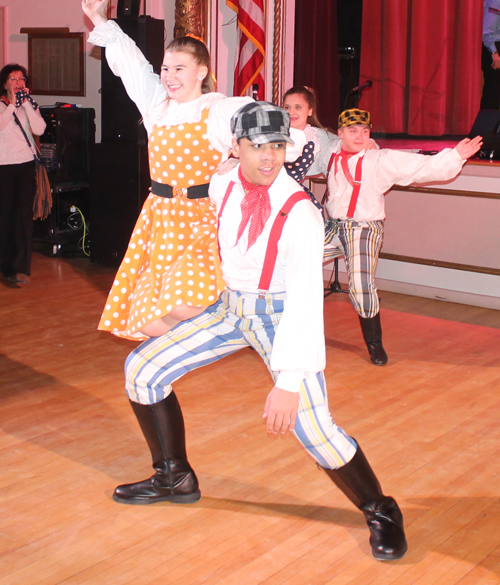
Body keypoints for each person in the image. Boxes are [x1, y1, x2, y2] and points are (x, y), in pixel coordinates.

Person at [112, 101, 408, 562]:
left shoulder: (301, 215)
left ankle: (381, 509)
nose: (269, 157)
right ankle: (174, 476)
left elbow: (307, 304)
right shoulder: (223, 181)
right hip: (229, 308)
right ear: (235, 147)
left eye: (277, 146)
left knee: (315, 429)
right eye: (257, 146)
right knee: (142, 370)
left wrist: (288, 384)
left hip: (281, 315)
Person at [81, 0, 253, 339]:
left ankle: (226, 323)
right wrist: (99, 20)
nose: (169, 76)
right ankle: (172, 363)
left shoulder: (216, 109)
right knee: (145, 322)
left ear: (201, 71)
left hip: (201, 219)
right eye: (165, 68)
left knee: (183, 303)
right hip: (159, 218)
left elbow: (265, 129)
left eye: (179, 68)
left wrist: (236, 162)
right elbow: (131, 64)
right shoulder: (157, 105)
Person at [309, 108, 483, 366]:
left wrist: (455, 156)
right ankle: (287, 328)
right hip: (334, 228)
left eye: (365, 131)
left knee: (360, 285)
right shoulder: (330, 153)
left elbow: (420, 168)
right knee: (296, 262)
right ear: (341, 133)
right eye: (353, 131)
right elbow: (304, 157)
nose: (360, 136)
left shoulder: (380, 159)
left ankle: (374, 344)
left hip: (364, 229)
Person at [0, 64, 46, 285]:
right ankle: (4, 265)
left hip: (26, 166)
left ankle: (19, 269)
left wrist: (26, 105)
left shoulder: (29, 104)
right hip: (3, 168)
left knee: (23, 218)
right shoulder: (1, 105)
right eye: (13, 79)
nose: (18, 83)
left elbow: (40, 129)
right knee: (4, 217)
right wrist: (11, 105)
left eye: (22, 79)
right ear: (5, 83)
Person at [481, 0, 500, 110]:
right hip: (493, 49)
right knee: (493, 90)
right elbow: (487, 30)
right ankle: (486, 129)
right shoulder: (495, 0)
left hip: (494, 48)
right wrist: (494, 53)